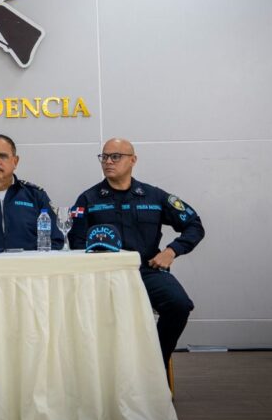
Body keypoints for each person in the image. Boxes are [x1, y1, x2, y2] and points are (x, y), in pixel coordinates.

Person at [68, 137, 204, 370]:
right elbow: (77, 242)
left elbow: (194, 225)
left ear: (133, 160)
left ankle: (154, 365)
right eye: (104, 157)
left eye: (115, 156)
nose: (108, 162)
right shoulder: (88, 199)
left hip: (146, 271)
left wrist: (172, 251)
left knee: (179, 305)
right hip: (104, 274)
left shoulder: (154, 196)